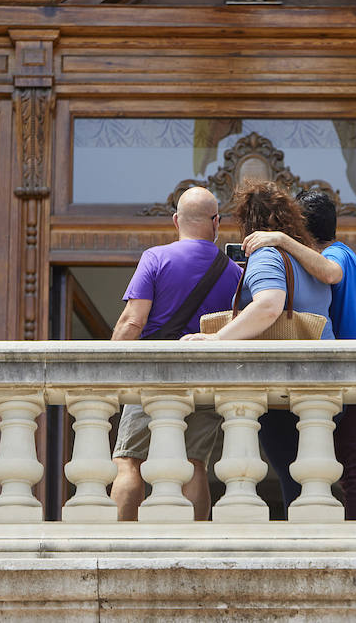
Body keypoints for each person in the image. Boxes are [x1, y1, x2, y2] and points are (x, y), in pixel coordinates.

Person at [181, 180, 333, 514]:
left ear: (248, 223)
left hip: (284, 383)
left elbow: (268, 306)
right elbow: (331, 277)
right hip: (320, 378)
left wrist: (218, 339)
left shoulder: (266, 255)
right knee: (315, 476)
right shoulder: (309, 259)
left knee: (292, 474)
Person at [242, 188, 356, 519]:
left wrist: (282, 240)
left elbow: (330, 273)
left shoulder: (338, 256)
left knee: (353, 473)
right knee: (349, 469)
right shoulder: (352, 257)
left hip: (349, 378)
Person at [109, 185, 242, 521]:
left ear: (175, 221)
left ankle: (117, 537)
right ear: (216, 222)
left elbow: (131, 322)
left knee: (129, 460)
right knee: (194, 462)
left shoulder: (155, 257)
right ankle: (195, 539)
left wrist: (106, 368)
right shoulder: (234, 272)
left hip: (152, 373)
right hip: (204, 376)